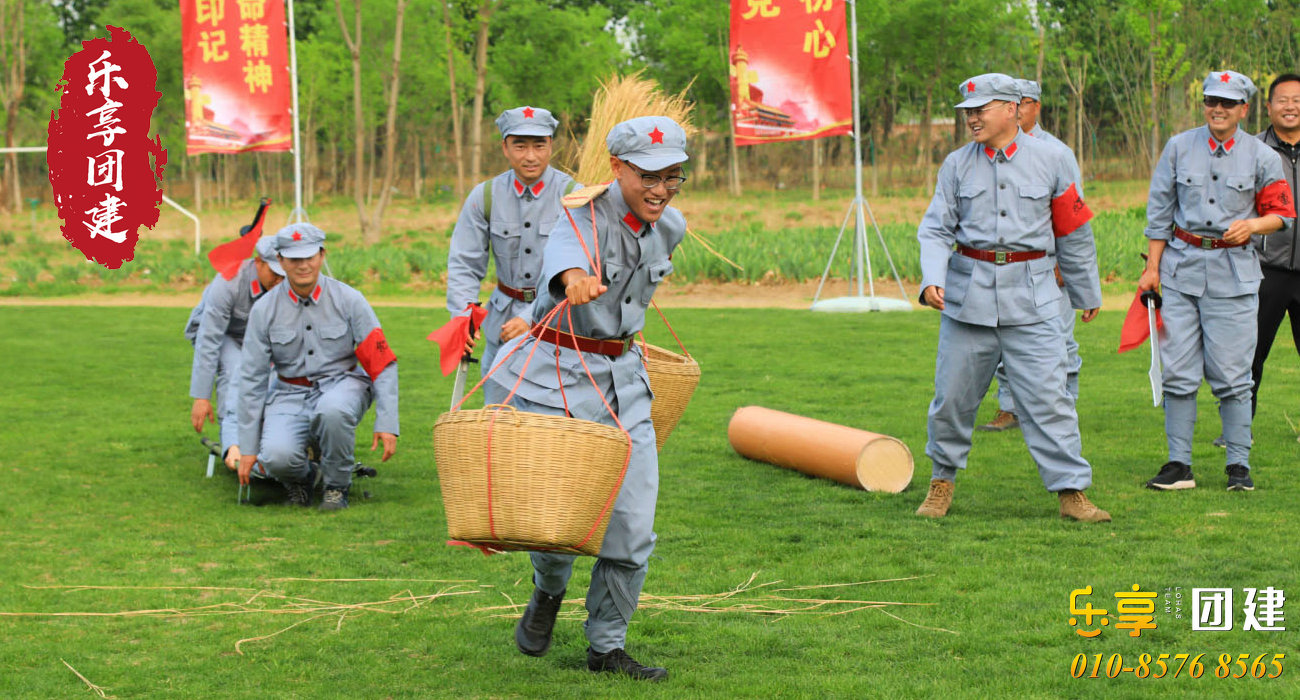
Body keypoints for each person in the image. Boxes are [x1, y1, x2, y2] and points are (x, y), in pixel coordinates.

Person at [489, 116, 687, 681]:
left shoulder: (670, 226)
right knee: (559, 528)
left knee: (633, 526)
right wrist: (573, 278)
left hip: (627, 383)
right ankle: (547, 591)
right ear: (617, 169)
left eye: (673, 176)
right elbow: (567, 256)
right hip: (562, 381)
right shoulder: (579, 214)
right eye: (648, 176)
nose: (661, 189)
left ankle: (606, 646)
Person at [915, 73, 1109, 522]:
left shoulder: (1055, 158)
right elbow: (935, 229)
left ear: (1011, 108)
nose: (971, 119)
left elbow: (1074, 232)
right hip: (968, 299)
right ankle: (941, 482)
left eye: (980, 109)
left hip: (1035, 300)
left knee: (1050, 400)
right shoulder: (956, 165)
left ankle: (1071, 493)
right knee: (951, 399)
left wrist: (1085, 290)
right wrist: (930, 280)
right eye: (967, 111)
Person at [1140, 70, 1295, 492]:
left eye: (1228, 103)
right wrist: (1152, 269)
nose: (1218, 109)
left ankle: (1238, 467)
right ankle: (1178, 465)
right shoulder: (1177, 148)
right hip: (1180, 273)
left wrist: (1253, 225)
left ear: (1244, 109)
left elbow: (1283, 214)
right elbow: (1158, 216)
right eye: (1212, 101)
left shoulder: (1262, 156)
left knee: (1233, 375)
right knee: (1178, 372)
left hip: (1234, 274)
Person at [237, 223, 399, 510]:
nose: (303, 266)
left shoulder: (350, 300)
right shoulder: (263, 310)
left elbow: (381, 362)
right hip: (289, 392)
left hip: (344, 383)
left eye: (309, 257)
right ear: (281, 261)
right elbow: (252, 379)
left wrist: (387, 422)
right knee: (275, 457)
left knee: (332, 410)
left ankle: (337, 486)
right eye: (294, 259)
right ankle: (304, 479)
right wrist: (248, 448)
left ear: (322, 255)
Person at [446, 106, 577, 404]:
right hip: (500, 326)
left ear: (551, 146)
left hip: (559, 329)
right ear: (505, 147)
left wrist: (533, 319)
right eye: (520, 145)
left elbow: (581, 266)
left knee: (551, 423)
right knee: (498, 419)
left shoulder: (574, 196)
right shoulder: (485, 196)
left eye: (539, 145)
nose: (530, 156)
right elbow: (464, 264)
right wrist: (462, 315)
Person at [977, 78, 1085, 433]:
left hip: (1049, 267)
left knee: (1060, 342)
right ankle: (1010, 409)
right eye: (1010, 103)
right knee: (1004, 342)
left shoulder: (1056, 153)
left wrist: (1062, 263)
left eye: (1022, 103)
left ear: (1035, 106)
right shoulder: (987, 150)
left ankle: (1063, 405)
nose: (1017, 110)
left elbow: (1071, 217)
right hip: (1006, 271)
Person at [185, 234, 284, 469]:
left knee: (274, 377)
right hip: (217, 334)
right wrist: (201, 397)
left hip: (254, 338)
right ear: (259, 262)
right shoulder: (229, 281)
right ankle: (234, 445)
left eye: (284, 274)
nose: (280, 280)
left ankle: (271, 439)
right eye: (275, 273)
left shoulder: (284, 286)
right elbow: (209, 339)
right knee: (235, 370)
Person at [1246, 73, 1300, 423]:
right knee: (1250, 354)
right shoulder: (1252, 150)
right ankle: (1238, 429)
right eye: (1283, 99)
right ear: (1268, 106)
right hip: (1265, 269)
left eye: (1297, 99)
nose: (1291, 106)